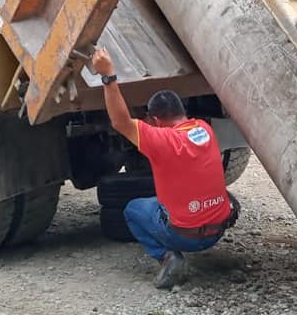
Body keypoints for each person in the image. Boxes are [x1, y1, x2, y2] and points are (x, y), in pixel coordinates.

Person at [91, 46, 237, 289]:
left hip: (185, 238)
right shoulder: (205, 130)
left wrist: (108, 76)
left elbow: (120, 122)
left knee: (133, 209)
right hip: (217, 232)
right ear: (182, 112)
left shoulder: (161, 141)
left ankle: (167, 256)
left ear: (156, 121)